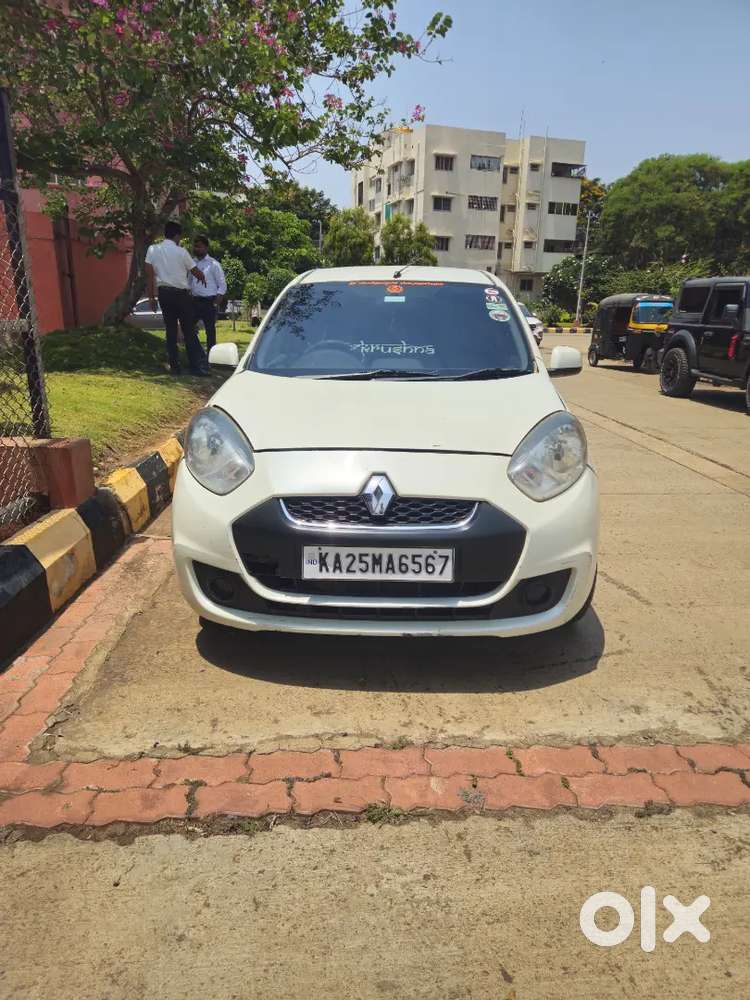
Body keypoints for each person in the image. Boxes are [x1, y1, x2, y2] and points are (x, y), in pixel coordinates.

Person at [145, 221, 209, 376]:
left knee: (171, 331)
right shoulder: (182, 252)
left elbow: (149, 274)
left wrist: (151, 297)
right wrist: (202, 277)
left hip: (164, 294)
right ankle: (196, 367)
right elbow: (195, 271)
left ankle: (175, 367)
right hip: (181, 295)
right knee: (188, 330)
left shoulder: (153, 249)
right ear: (177, 235)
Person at [189, 235, 227, 353]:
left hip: (209, 302)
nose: (196, 249)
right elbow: (189, 282)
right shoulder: (192, 263)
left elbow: (222, 286)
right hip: (194, 301)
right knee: (188, 328)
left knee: (210, 332)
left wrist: (216, 304)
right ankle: (197, 354)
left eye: (199, 246)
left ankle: (211, 358)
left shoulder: (213, 264)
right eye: (195, 246)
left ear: (206, 247)